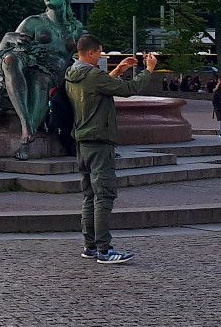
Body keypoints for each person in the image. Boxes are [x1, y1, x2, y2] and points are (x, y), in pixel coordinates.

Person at [63, 34, 157, 265]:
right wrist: (149, 70)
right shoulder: (93, 75)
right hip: (99, 141)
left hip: (82, 141)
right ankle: (104, 250)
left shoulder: (73, 74)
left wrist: (119, 69)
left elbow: (99, 88)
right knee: (104, 195)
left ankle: (90, 246)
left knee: (89, 195)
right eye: (100, 53)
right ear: (91, 53)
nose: (102, 56)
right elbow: (128, 89)